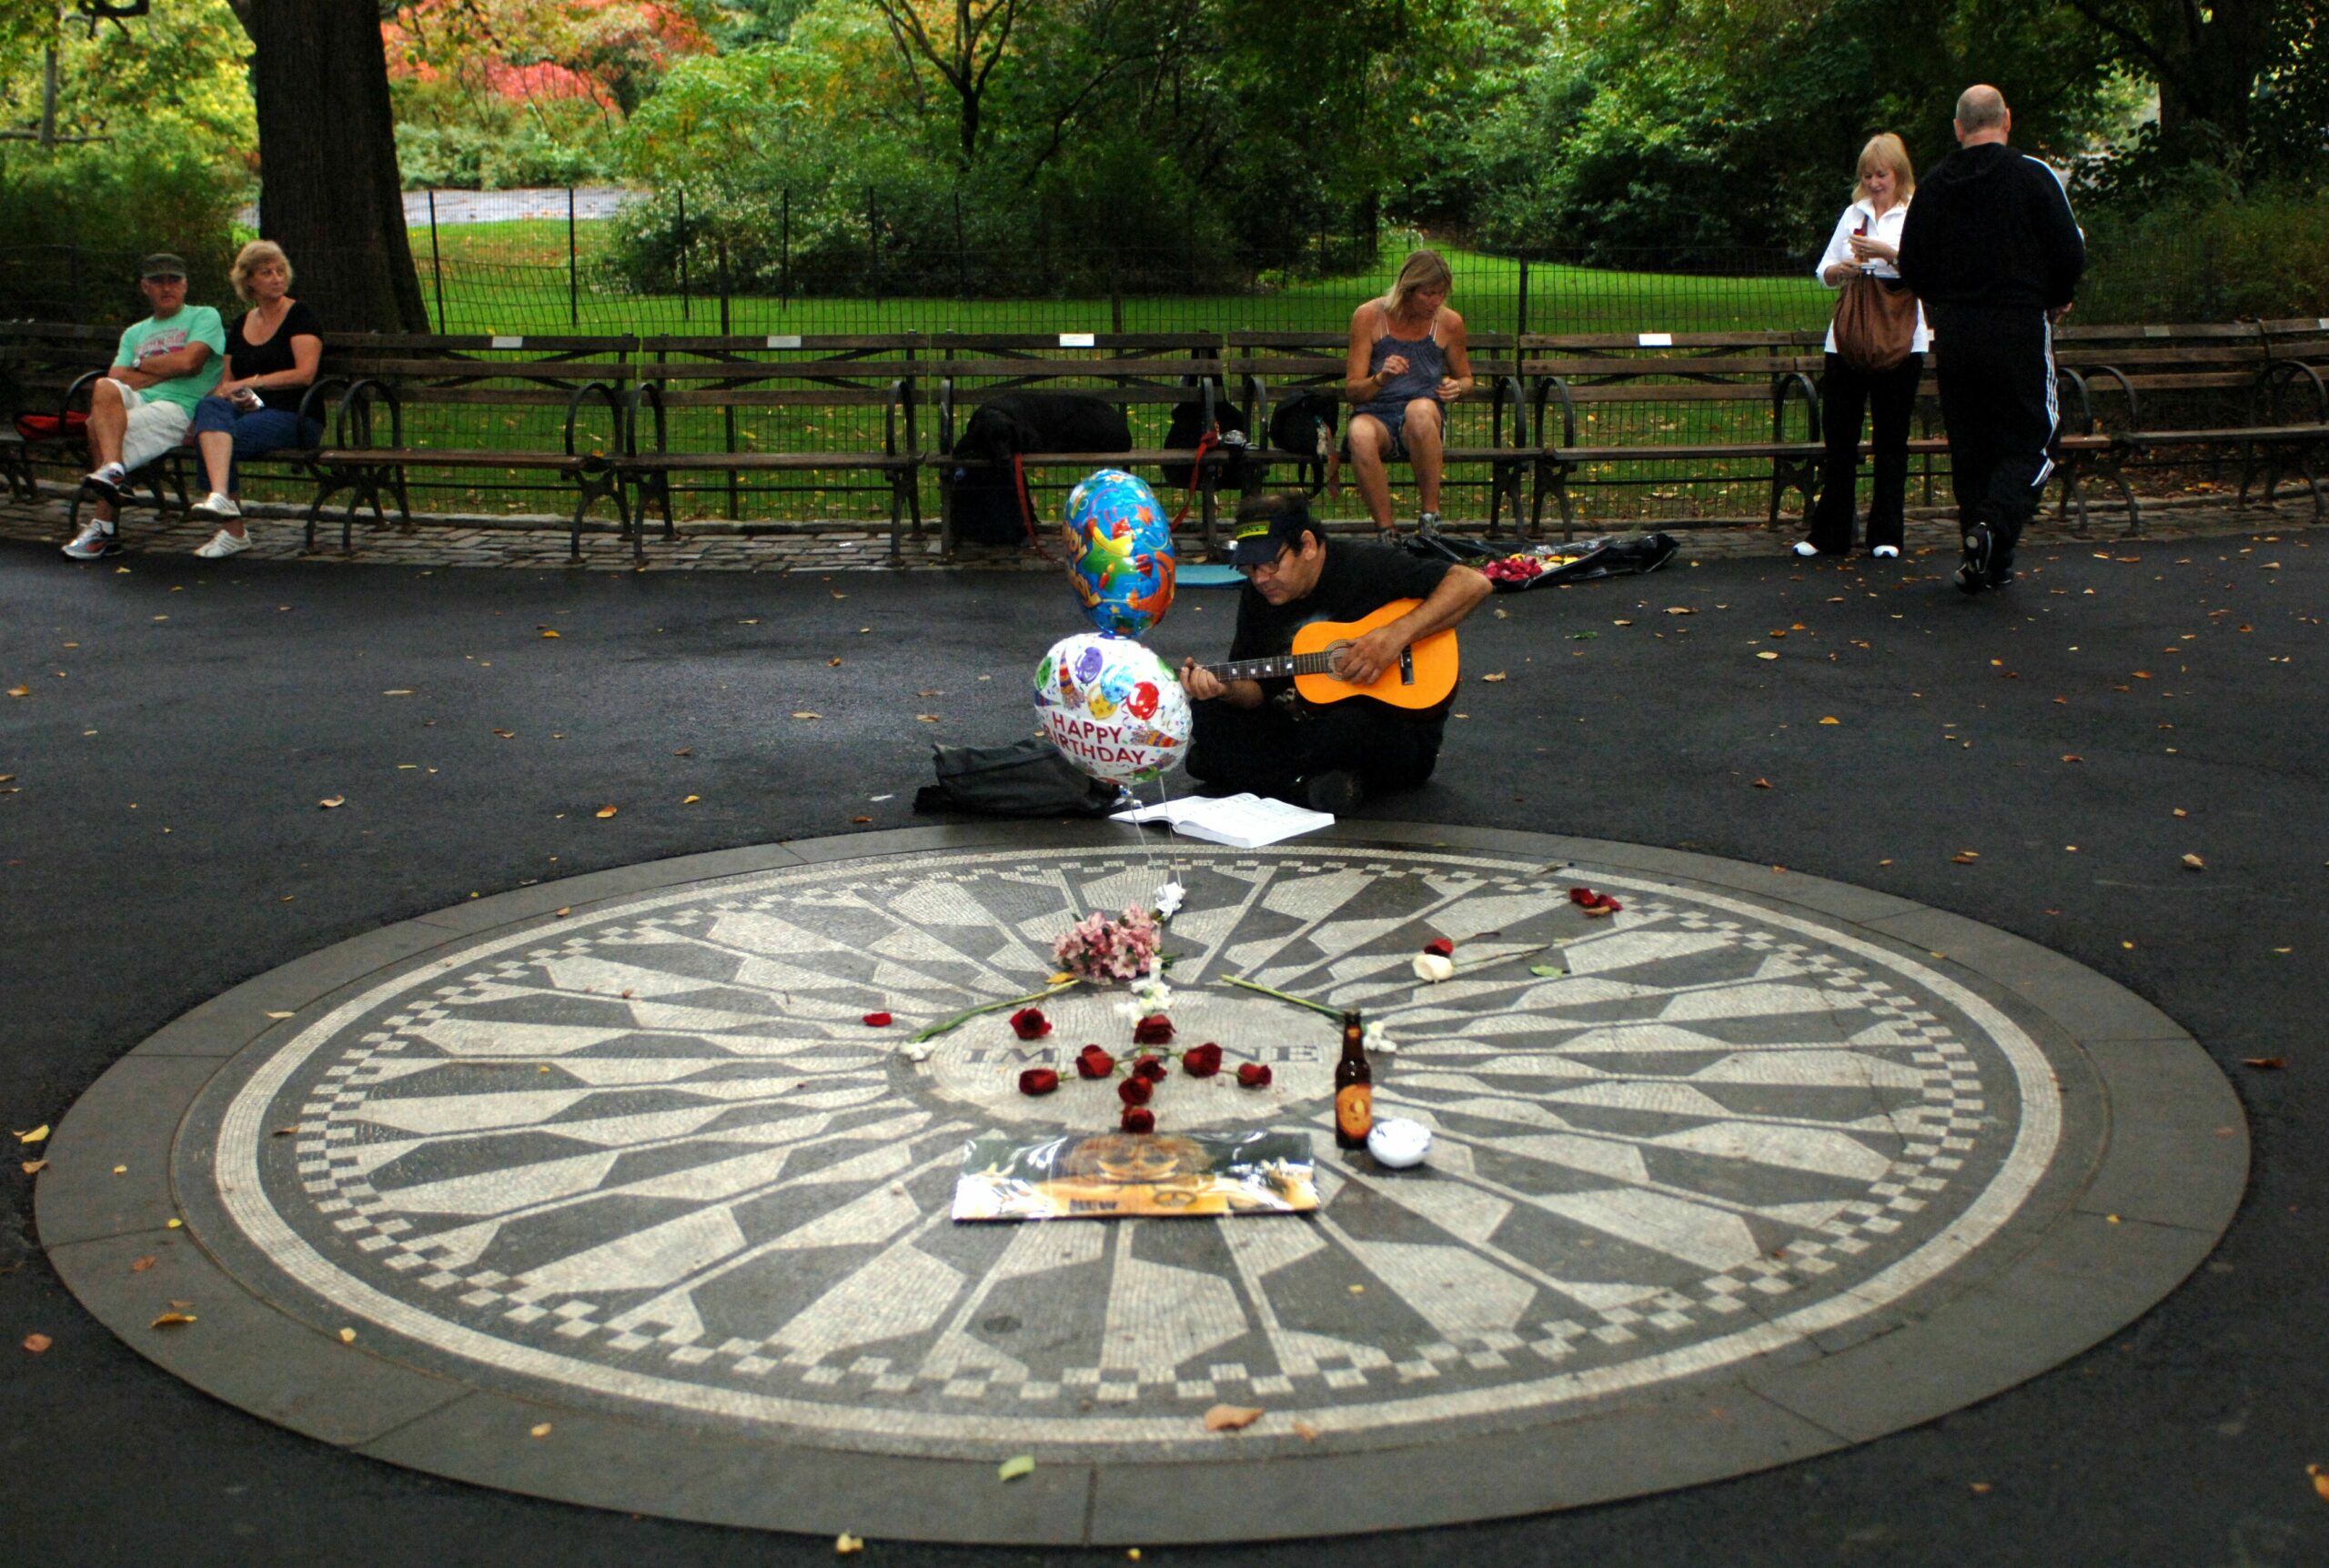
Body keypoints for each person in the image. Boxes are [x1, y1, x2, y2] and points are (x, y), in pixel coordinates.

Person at [1179, 491, 1490, 813]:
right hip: (1300, 723)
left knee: (1345, 729)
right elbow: (1257, 690)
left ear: (1308, 545)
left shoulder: (1365, 564)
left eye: (1272, 564)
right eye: (1249, 568)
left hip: (1391, 726)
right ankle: (1310, 785)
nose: (1261, 579)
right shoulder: (1257, 595)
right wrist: (1225, 689)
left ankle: (1258, 776)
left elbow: (1472, 583)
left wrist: (1393, 637)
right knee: (1209, 713)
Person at [1896, 84, 2085, 594]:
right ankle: (1994, 525)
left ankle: (1987, 560)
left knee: (1972, 443)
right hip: (2018, 323)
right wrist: (2058, 294)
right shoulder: (2031, 175)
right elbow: (2069, 247)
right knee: (2035, 437)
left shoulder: (1935, 184)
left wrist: (1945, 298)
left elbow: (1911, 260)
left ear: (1958, 128)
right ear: (2007, 120)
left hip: (1956, 330)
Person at [1796, 132, 1930, 560]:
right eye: (1868, 176)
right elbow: (1823, 271)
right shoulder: (1853, 213)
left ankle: (1886, 534)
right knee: (1840, 438)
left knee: (1892, 438)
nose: (1875, 183)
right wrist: (1843, 269)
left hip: (1902, 338)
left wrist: (1888, 253)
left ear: (1899, 174)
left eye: (1882, 175)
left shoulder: (1917, 214)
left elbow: (1930, 273)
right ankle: (1830, 533)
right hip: (1848, 339)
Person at [62, 253, 226, 561]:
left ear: (185, 285)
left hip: (179, 407)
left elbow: (191, 363)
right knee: (103, 388)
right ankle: (113, 471)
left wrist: (140, 365)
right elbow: (117, 378)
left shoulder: (204, 316)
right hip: (139, 401)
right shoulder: (134, 332)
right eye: (157, 281)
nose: (167, 287)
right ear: (144, 287)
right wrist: (168, 367)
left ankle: (103, 529)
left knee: (95, 425)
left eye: (173, 280)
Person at [187, 240, 324, 558]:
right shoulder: (241, 323)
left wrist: (253, 383)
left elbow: (305, 374)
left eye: (280, 271)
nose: (276, 278)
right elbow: (226, 380)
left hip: (295, 414)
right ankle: (225, 508)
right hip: (249, 410)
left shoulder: (301, 315)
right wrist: (235, 394)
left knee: (215, 440)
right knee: (209, 409)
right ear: (249, 281)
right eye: (266, 272)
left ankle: (229, 523)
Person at [1344, 249, 1473, 538]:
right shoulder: (1368, 317)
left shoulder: (1449, 323)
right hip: (1376, 412)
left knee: (1419, 410)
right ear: (1407, 289)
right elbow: (1353, 390)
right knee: (1359, 433)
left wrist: (1458, 386)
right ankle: (1386, 530)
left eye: (1441, 293)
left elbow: (1466, 378)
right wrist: (1380, 378)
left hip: (1424, 414)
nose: (1436, 301)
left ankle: (1430, 518)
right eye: (1428, 294)